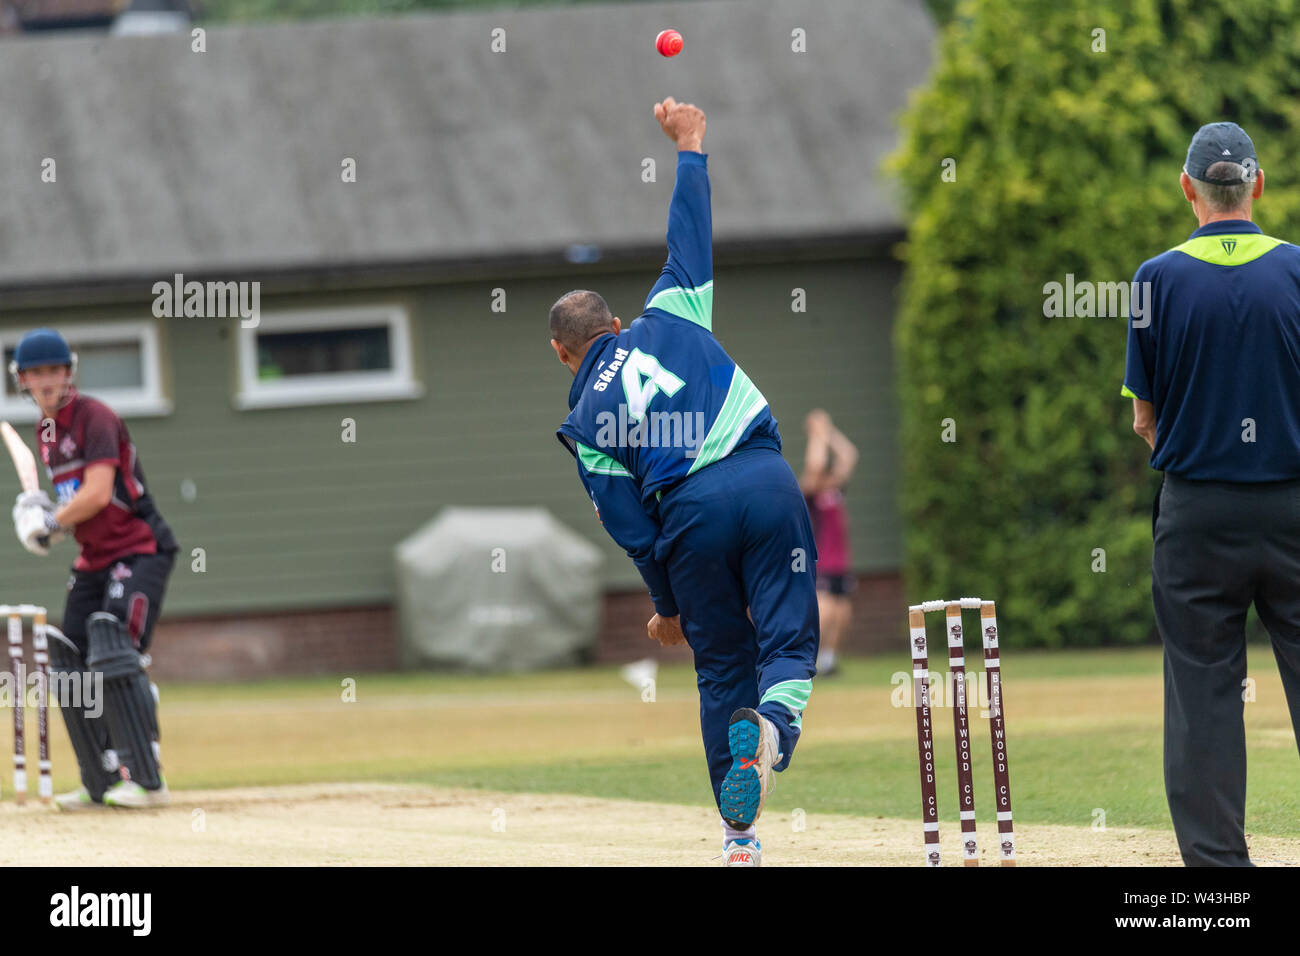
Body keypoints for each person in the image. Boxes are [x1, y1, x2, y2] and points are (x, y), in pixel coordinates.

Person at [550, 97, 819, 867]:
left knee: (721, 669)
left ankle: (740, 842)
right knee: (790, 638)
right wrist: (691, 146)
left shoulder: (584, 421)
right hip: (763, 480)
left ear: (566, 355)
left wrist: (668, 607)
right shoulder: (672, 308)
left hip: (688, 521)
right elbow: (688, 229)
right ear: (612, 325)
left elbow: (629, 527)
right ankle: (773, 730)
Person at [1124, 121, 1300, 866]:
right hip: (1294, 505)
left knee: (1202, 697)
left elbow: (1143, 417)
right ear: (1257, 185)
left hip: (1197, 513)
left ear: (1188, 189)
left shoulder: (1150, 281)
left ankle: (1220, 877)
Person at [9, 328, 178, 809]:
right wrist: (47, 524)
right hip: (95, 559)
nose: (46, 381)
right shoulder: (48, 436)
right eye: (36, 372)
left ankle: (147, 779)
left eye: (54, 371)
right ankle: (100, 778)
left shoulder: (94, 417)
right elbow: (79, 505)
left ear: (69, 373)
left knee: (113, 648)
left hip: (139, 550)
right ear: (21, 378)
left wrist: (49, 520)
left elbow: (101, 492)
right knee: (69, 660)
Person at [799, 409, 857, 677]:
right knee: (825, 612)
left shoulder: (834, 489)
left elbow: (849, 455)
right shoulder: (810, 491)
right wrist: (817, 435)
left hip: (841, 561)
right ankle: (808, 659)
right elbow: (815, 465)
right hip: (821, 560)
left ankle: (829, 661)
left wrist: (829, 431)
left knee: (843, 612)